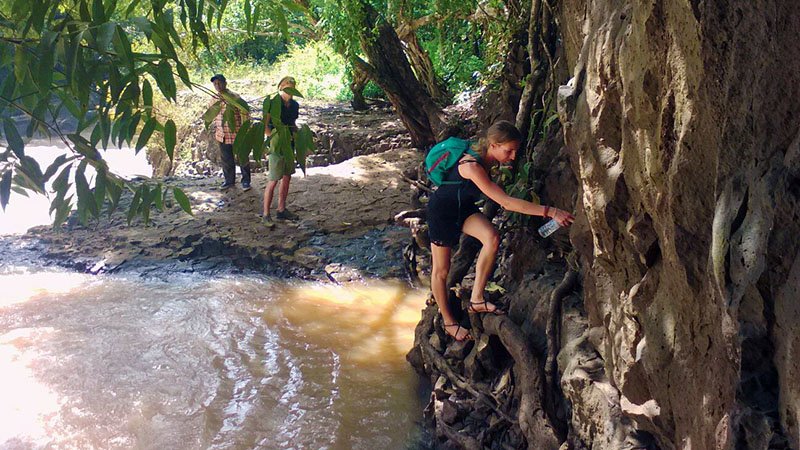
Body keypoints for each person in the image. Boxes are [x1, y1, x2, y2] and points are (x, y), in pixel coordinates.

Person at [427, 120, 575, 341]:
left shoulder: (486, 157)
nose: (513, 156)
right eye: (509, 150)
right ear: (493, 145)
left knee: (492, 237)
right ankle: (449, 322)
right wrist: (551, 211)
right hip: (442, 213)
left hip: (463, 209)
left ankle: (477, 299)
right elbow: (506, 203)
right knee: (441, 271)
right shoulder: (472, 167)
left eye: (515, 150)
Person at [262, 76, 301, 225]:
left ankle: (281, 209)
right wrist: (272, 138)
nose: (289, 88)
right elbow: (265, 125)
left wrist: (299, 137)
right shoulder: (272, 104)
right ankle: (266, 214)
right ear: (280, 87)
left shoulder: (295, 105)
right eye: (286, 85)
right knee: (273, 179)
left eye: (292, 85)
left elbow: (293, 124)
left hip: (289, 145)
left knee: (287, 176)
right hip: (277, 145)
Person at [210, 74, 251, 191]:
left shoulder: (234, 97)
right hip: (222, 134)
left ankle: (246, 181)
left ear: (225, 83)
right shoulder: (214, 98)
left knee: (242, 158)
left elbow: (245, 113)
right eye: (215, 84)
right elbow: (212, 113)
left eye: (219, 83)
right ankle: (229, 181)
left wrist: (245, 130)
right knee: (226, 159)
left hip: (237, 133)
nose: (217, 86)